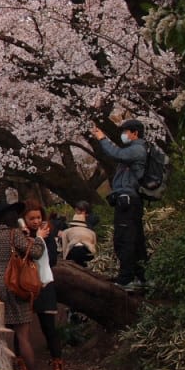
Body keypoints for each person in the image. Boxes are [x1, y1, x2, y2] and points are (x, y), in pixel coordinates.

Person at [0, 200, 49, 370]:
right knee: (23, 335)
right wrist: (38, 238)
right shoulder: (14, 234)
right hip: (14, 285)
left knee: (1, 332)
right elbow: (35, 253)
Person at [92, 119, 148, 289]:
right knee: (136, 239)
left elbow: (116, 154)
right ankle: (141, 277)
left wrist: (102, 138)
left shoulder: (137, 149)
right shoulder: (138, 149)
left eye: (125, 132)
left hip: (128, 200)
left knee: (124, 238)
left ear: (135, 133)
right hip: (130, 200)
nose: (123, 135)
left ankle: (126, 278)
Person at [20, 202, 63, 370]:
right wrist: (36, 239)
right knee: (21, 329)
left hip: (44, 283)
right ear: (25, 219)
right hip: (25, 285)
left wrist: (43, 240)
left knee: (49, 328)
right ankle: (23, 366)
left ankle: (57, 366)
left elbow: (52, 259)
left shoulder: (48, 233)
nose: (36, 221)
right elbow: (25, 256)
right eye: (32, 218)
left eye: (38, 217)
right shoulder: (21, 234)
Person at [60, 201, 97, 267]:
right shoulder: (92, 231)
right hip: (89, 252)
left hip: (75, 252)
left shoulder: (67, 231)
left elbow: (65, 247)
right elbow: (94, 245)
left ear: (83, 211)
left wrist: (64, 259)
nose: (76, 213)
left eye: (77, 211)